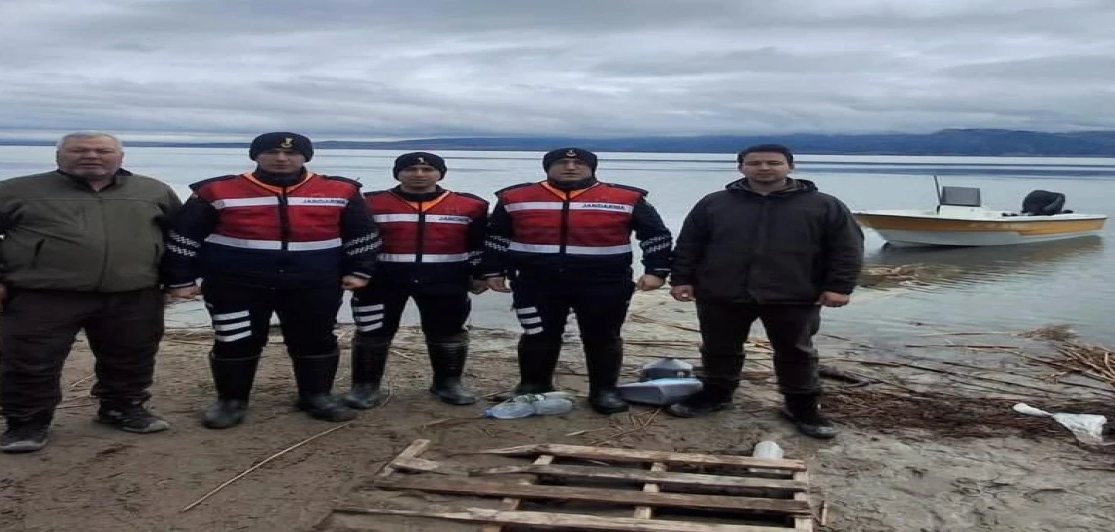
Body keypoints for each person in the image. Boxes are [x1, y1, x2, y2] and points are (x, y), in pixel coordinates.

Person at [0, 132, 183, 453]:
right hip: (42, 294)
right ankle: (25, 422)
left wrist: (179, 280)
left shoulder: (152, 190)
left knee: (132, 356)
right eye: (79, 150)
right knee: (30, 361)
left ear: (120, 157)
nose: (91, 156)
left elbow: (179, 237)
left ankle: (122, 407)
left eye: (102, 150)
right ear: (59, 155)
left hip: (133, 293)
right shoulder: (15, 191)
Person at [163, 132, 380, 428]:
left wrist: (360, 271)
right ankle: (231, 402)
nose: (281, 158)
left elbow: (363, 235)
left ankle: (317, 397)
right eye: (271, 152)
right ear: (255, 156)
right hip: (236, 284)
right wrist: (180, 280)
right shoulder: (215, 190)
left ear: (305, 157)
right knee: (235, 339)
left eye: (290, 153)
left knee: (316, 340)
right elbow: (183, 237)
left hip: (313, 283)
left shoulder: (341, 190)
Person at [664, 143, 864, 439]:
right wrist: (681, 279)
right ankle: (716, 394)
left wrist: (839, 287)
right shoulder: (714, 203)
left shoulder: (823, 205)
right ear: (741, 167)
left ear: (790, 166)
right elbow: (689, 244)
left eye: (773, 162)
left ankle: (802, 405)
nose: (764, 168)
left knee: (796, 350)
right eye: (755, 163)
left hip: (794, 292)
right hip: (721, 290)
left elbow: (847, 248)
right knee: (719, 347)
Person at [481, 147, 673, 414]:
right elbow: (496, 237)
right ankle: (533, 386)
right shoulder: (515, 197)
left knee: (603, 336)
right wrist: (493, 271)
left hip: (604, 281)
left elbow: (655, 236)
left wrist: (656, 271)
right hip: (535, 281)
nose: (570, 167)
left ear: (592, 168)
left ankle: (603, 391)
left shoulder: (627, 197)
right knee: (537, 334)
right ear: (547, 167)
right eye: (562, 162)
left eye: (578, 163)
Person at [340, 152, 489, 409]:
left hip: (445, 280)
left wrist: (480, 274)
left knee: (448, 332)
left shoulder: (471, 205)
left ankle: (447, 384)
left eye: (428, 169)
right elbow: (352, 240)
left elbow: (478, 244)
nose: (419, 174)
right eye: (410, 169)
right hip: (381, 280)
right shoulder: (370, 203)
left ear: (440, 173)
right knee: (372, 331)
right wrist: (352, 271)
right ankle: (365, 387)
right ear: (397, 173)